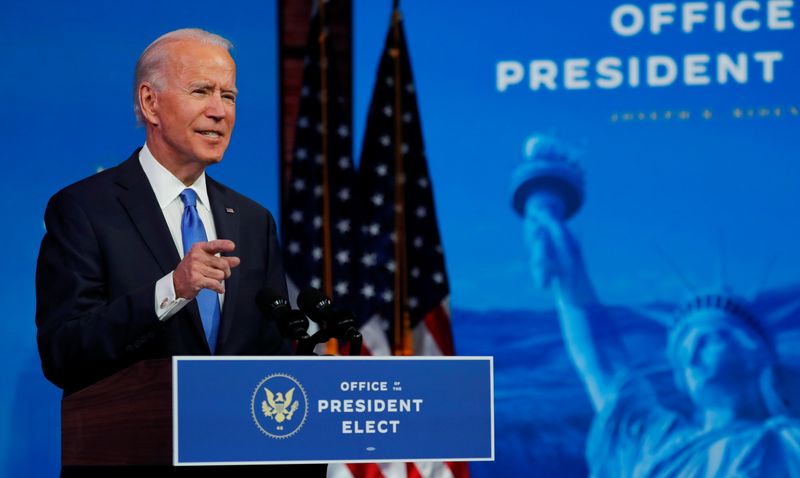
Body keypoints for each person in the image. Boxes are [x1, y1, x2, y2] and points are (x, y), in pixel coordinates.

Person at [35, 28, 326, 477]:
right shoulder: (84, 210)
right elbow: (63, 352)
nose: (219, 111)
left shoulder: (252, 220)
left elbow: (267, 354)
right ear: (150, 102)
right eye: (201, 91)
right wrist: (172, 288)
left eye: (228, 95)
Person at [522, 194, 800, 477]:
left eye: (706, 341)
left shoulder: (791, 445)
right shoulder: (656, 445)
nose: (691, 358)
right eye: (682, 354)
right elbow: (602, 365)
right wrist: (570, 273)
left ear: (754, 352)